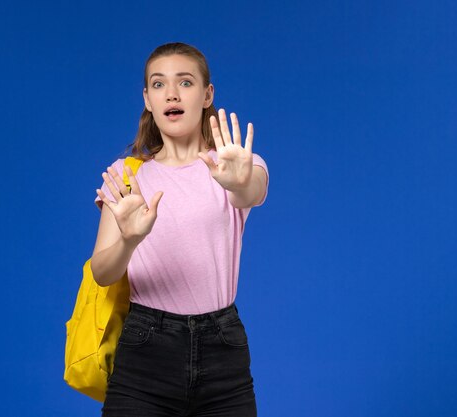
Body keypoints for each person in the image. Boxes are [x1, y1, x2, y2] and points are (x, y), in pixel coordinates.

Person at [91, 42, 269, 417]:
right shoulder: (128, 176)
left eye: (185, 83)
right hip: (145, 350)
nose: (171, 93)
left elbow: (250, 191)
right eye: (158, 84)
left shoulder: (236, 165)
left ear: (207, 95)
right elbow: (102, 273)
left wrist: (238, 181)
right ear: (147, 99)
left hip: (223, 351)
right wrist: (129, 240)